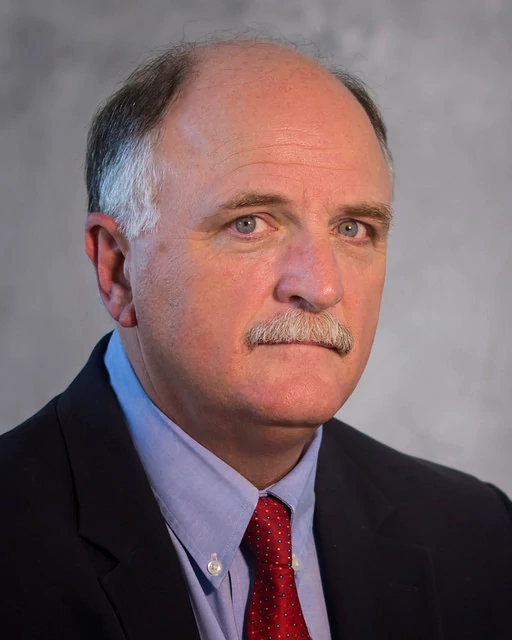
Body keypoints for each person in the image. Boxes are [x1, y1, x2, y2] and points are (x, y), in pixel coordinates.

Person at [1, 37, 511, 640]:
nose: (320, 287)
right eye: (250, 223)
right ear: (117, 268)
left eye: (354, 228)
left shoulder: (481, 537)